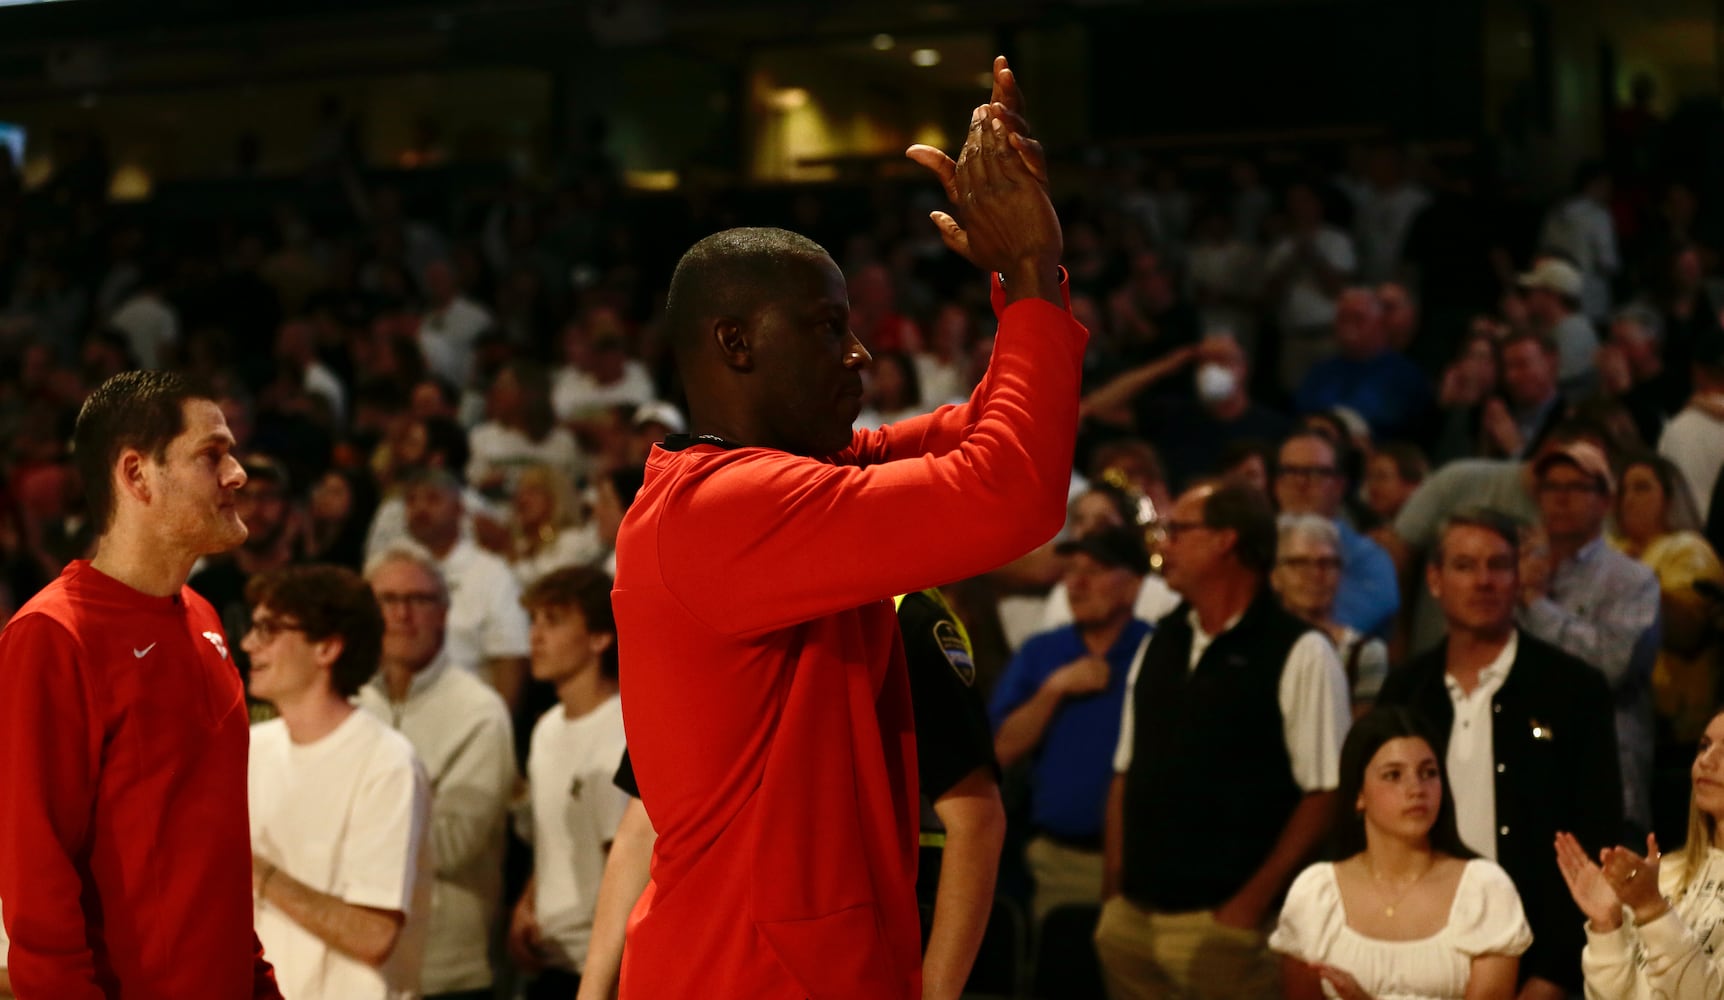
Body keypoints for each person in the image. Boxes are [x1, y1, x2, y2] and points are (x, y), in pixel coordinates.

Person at [612, 60, 1075, 999]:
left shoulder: (775, 486)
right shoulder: (727, 511)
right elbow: (1010, 491)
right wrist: (1025, 273)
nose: (862, 352)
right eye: (828, 329)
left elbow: (985, 438)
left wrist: (1028, 274)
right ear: (735, 344)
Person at [580, 583, 1007, 1000]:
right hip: (719, 953)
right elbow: (641, 824)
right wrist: (593, 990)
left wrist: (933, 992)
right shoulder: (713, 603)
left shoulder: (906, 614)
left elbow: (977, 821)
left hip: (857, 952)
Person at [0, 370, 282, 998]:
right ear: (135, 475)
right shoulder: (50, 636)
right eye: (212, 455)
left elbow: (210, 861)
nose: (237, 474)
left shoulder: (204, 618)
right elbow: (37, 900)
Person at [1097, 482, 1351, 999]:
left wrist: (1246, 909)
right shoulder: (1160, 640)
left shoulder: (1300, 651)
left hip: (1225, 930)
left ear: (1226, 541)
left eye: (1179, 531)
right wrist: (1115, 891)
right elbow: (1127, 771)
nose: (1163, 545)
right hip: (1134, 920)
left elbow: (1327, 792)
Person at [1376, 509, 1623, 999]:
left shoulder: (1574, 690)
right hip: (1420, 954)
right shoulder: (1406, 690)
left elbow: (1597, 833)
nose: (1483, 581)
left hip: (1542, 960)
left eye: (1498, 565)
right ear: (1435, 580)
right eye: (1465, 566)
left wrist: (1553, 975)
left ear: (1518, 578)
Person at [244, 564, 433, 1000]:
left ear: (327, 647)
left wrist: (255, 869)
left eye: (268, 630)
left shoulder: (387, 763)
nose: (249, 644)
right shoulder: (251, 747)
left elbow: (373, 935)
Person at [1271, 707, 1531, 1000]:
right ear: (1359, 794)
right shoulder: (1315, 894)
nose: (1416, 789)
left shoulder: (1485, 889)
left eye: (1428, 773)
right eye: (1393, 775)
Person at [360, 546, 517, 1000]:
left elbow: (454, 844)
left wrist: (346, 825)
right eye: (387, 600)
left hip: (447, 970)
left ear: (445, 613)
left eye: (420, 600)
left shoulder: (480, 711)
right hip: (361, 969)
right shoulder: (349, 701)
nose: (402, 615)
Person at [990, 525, 1154, 923]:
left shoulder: (1158, 650)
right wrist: (1054, 690)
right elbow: (999, 752)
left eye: (1095, 571)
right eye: (1071, 571)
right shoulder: (1042, 652)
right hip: (1059, 863)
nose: (1077, 584)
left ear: (1132, 586)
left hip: (1148, 865)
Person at [1522, 442, 1661, 834]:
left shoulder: (1633, 580)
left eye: (1577, 487)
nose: (1561, 498)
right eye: (1551, 487)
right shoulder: (1511, 573)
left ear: (1605, 500)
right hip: (1527, 777)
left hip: (1607, 779)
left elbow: (1611, 668)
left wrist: (1536, 605)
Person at [506, 566, 629, 999]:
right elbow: (551, 835)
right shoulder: (546, 729)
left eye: (554, 621)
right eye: (533, 621)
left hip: (603, 970)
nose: (535, 636)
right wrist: (528, 903)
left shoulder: (619, 731)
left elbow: (626, 860)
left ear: (600, 638)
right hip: (551, 960)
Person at [1556, 706, 1724, 999]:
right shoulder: (1667, 873)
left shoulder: (1650, 894)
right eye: (1705, 746)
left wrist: (1652, 911)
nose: (1706, 761)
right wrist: (1607, 925)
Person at [1272, 430, 1399, 637]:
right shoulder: (1250, 547)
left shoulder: (1370, 559)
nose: (1300, 483)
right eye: (1290, 471)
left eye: (1315, 473)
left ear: (1339, 486)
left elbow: (1330, 630)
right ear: (1276, 484)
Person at [1272, 514, 1388, 715]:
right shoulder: (1252, 647)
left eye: (1326, 563)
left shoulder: (1363, 653)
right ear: (1275, 576)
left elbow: (1360, 738)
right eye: (1299, 563)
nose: (1315, 575)